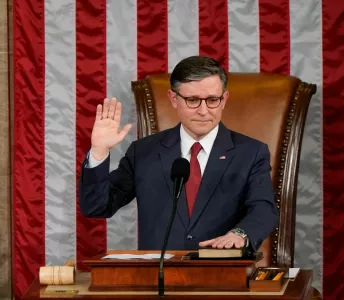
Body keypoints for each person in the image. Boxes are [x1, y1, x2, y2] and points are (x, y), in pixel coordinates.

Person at [79, 56, 278, 252]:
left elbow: (263, 209)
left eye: (212, 100)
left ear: (224, 99)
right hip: (159, 277)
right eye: (192, 100)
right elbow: (98, 207)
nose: (203, 110)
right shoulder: (143, 152)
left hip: (222, 274)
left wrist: (240, 234)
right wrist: (99, 150)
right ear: (174, 99)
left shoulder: (251, 152)